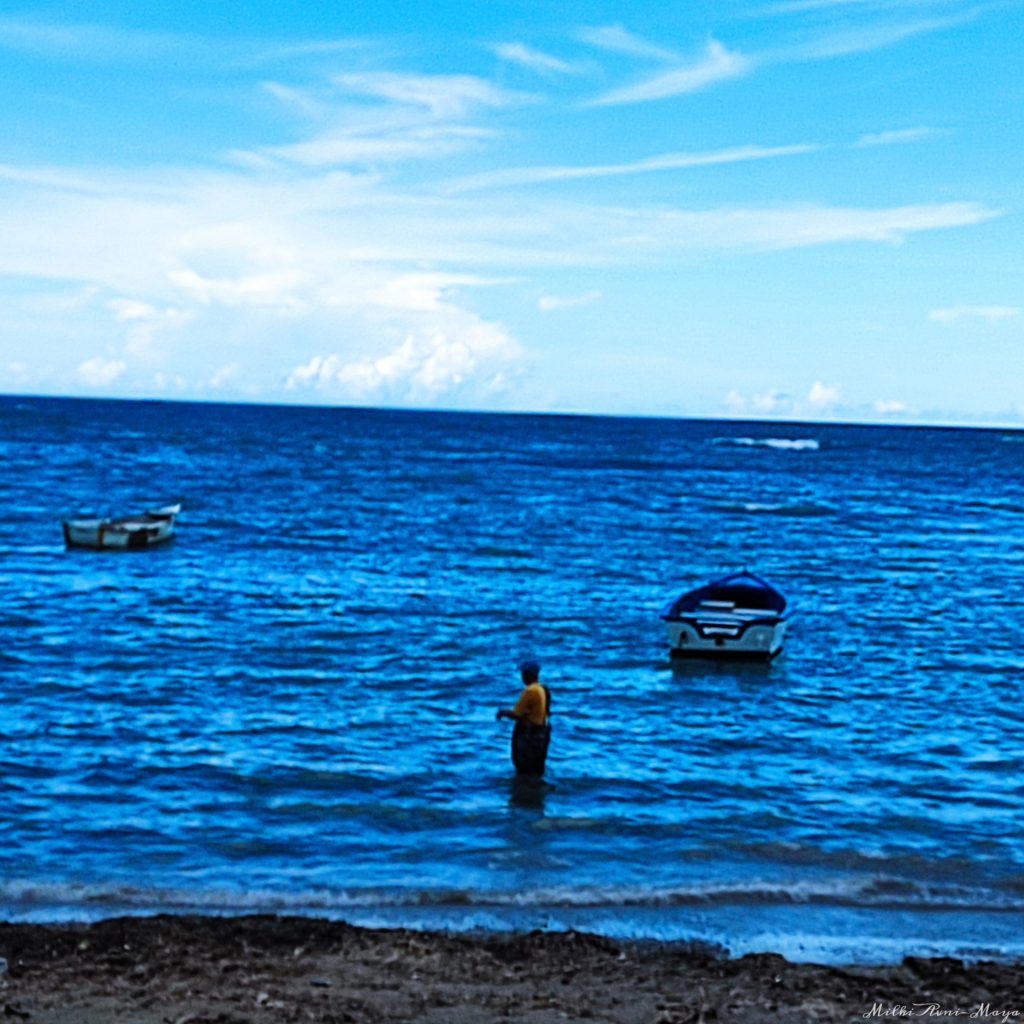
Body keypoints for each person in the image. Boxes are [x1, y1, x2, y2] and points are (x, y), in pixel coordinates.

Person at [496, 660, 551, 776]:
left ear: (528, 675)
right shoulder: (542, 689)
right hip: (540, 737)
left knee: (525, 770)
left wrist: (503, 713)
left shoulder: (530, 691)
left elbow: (517, 714)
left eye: (523, 673)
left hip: (529, 737)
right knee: (535, 771)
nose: (522, 676)